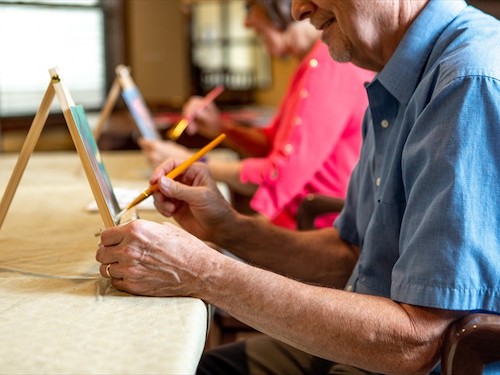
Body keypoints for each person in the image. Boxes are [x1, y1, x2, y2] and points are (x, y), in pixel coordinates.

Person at [96, 0, 500, 374]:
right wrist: (227, 228)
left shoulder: (465, 82)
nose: (296, 8)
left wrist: (203, 272)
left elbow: (417, 342)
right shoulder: (394, 78)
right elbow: (351, 255)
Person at [139, 0, 373, 230]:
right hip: (298, 220)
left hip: (314, 229)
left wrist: (191, 162)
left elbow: (278, 172)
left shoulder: (328, 67)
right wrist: (221, 127)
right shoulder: (312, 62)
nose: (247, 22)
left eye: (250, 6)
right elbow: (273, 145)